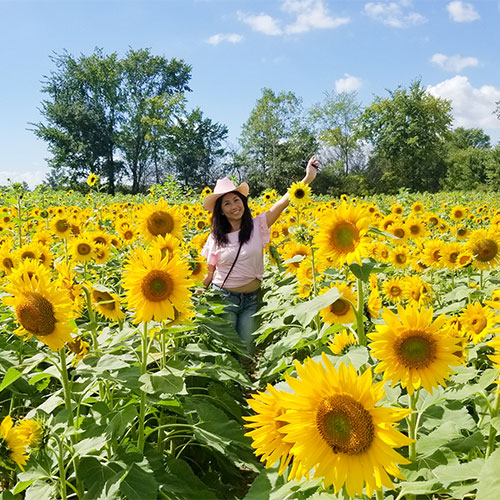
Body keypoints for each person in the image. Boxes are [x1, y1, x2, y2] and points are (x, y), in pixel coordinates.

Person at [201, 156, 318, 356]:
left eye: (236, 200)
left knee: (247, 351)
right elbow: (209, 272)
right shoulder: (215, 237)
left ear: (243, 202)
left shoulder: (257, 226)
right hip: (223, 298)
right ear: (221, 211)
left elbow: (282, 203)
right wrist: (195, 294)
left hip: (251, 300)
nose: (233, 206)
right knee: (226, 352)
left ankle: (247, 386)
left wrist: (307, 179)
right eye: (227, 203)